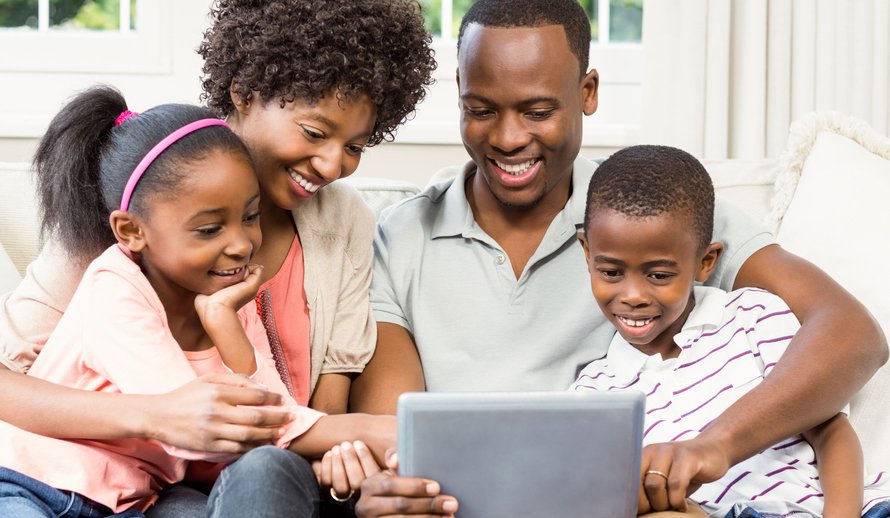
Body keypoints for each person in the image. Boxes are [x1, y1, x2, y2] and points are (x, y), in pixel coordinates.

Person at [350, 0, 887, 515]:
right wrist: (389, 490)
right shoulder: (403, 237)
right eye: (481, 111)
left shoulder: (647, 207)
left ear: (587, 92)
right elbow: (396, 436)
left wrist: (714, 445)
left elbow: (850, 332)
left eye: (538, 111)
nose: (509, 138)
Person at [0, 0, 434, 515]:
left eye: (356, 146)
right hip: (64, 478)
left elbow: (308, 409)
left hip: (212, 482)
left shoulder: (341, 224)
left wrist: (351, 456)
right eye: (314, 133)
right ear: (244, 93)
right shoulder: (142, 201)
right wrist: (155, 415)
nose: (334, 164)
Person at [571, 144, 890, 518]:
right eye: (611, 272)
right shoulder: (593, 393)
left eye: (659, 276)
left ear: (706, 262)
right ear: (587, 254)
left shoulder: (751, 315)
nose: (634, 296)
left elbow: (830, 430)